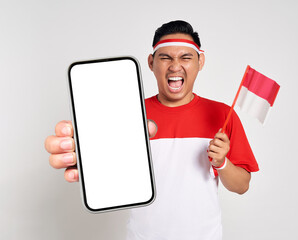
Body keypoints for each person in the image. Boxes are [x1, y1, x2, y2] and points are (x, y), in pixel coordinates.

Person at [45, 20, 259, 240]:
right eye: (166, 57)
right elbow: (113, 171)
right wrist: (93, 164)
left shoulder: (223, 115)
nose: (175, 66)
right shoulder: (129, 114)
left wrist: (222, 162)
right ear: (151, 62)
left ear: (200, 61)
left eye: (185, 57)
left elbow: (242, 186)